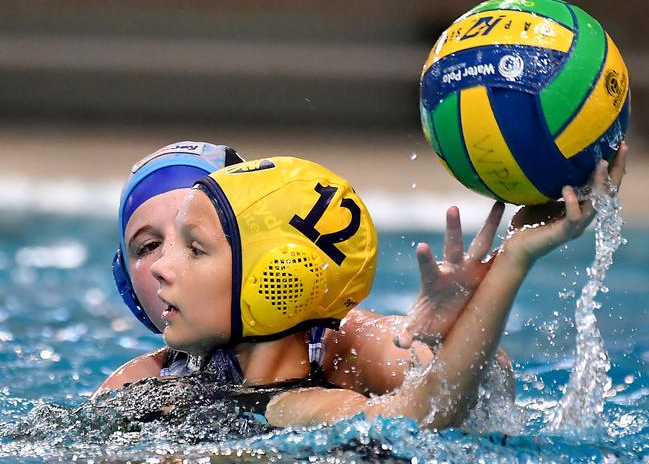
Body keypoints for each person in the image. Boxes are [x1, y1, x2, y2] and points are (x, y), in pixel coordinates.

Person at [145, 147, 627, 428]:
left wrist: (513, 259)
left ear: (275, 278)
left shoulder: (297, 404)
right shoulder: (169, 379)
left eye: (195, 249)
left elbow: (430, 406)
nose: (160, 268)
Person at [96, 141, 514, 401]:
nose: (165, 265)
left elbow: (452, 390)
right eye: (149, 247)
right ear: (127, 285)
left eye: (195, 245)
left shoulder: (345, 343)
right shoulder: (140, 386)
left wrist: (448, 340)